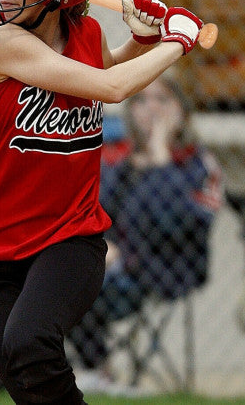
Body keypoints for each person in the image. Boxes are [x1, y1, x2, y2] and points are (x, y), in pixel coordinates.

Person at [0, 0, 206, 405]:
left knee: (30, 341)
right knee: (31, 385)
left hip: (68, 238)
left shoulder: (85, 35)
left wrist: (143, 41)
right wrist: (179, 41)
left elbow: (103, 71)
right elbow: (111, 88)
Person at [69, 74, 223, 391]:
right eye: (141, 100)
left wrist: (161, 157)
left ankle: (97, 369)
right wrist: (104, 247)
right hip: (116, 268)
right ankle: (97, 369)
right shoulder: (123, 164)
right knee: (59, 272)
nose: (151, 108)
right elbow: (97, 215)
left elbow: (177, 225)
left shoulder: (196, 164)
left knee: (78, 282)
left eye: (162, 100)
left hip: (171, 268)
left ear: (182, 111)